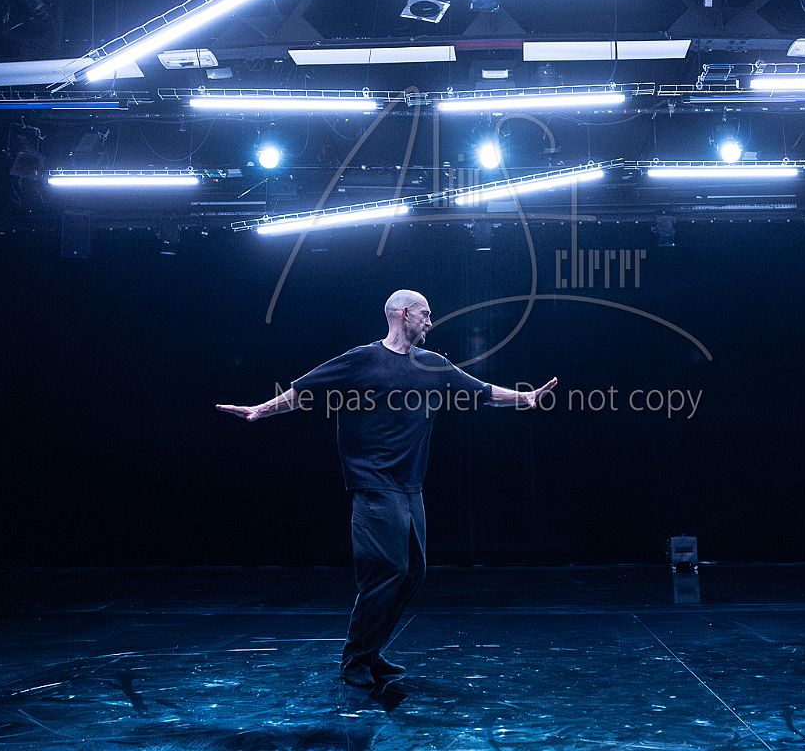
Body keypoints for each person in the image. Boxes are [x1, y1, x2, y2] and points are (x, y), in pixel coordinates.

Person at [216, 289, 557, 690]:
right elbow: (304, 391)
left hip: (411, 487)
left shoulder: (434, 365)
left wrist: (525, 398)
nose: (430, 322)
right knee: (385, 572)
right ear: (404, 313)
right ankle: (355, 661)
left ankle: (371, 651)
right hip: (374, 484)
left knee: (412, 572)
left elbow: (482, 391)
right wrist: (260, 409)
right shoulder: (363, 359)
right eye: (425, 314)